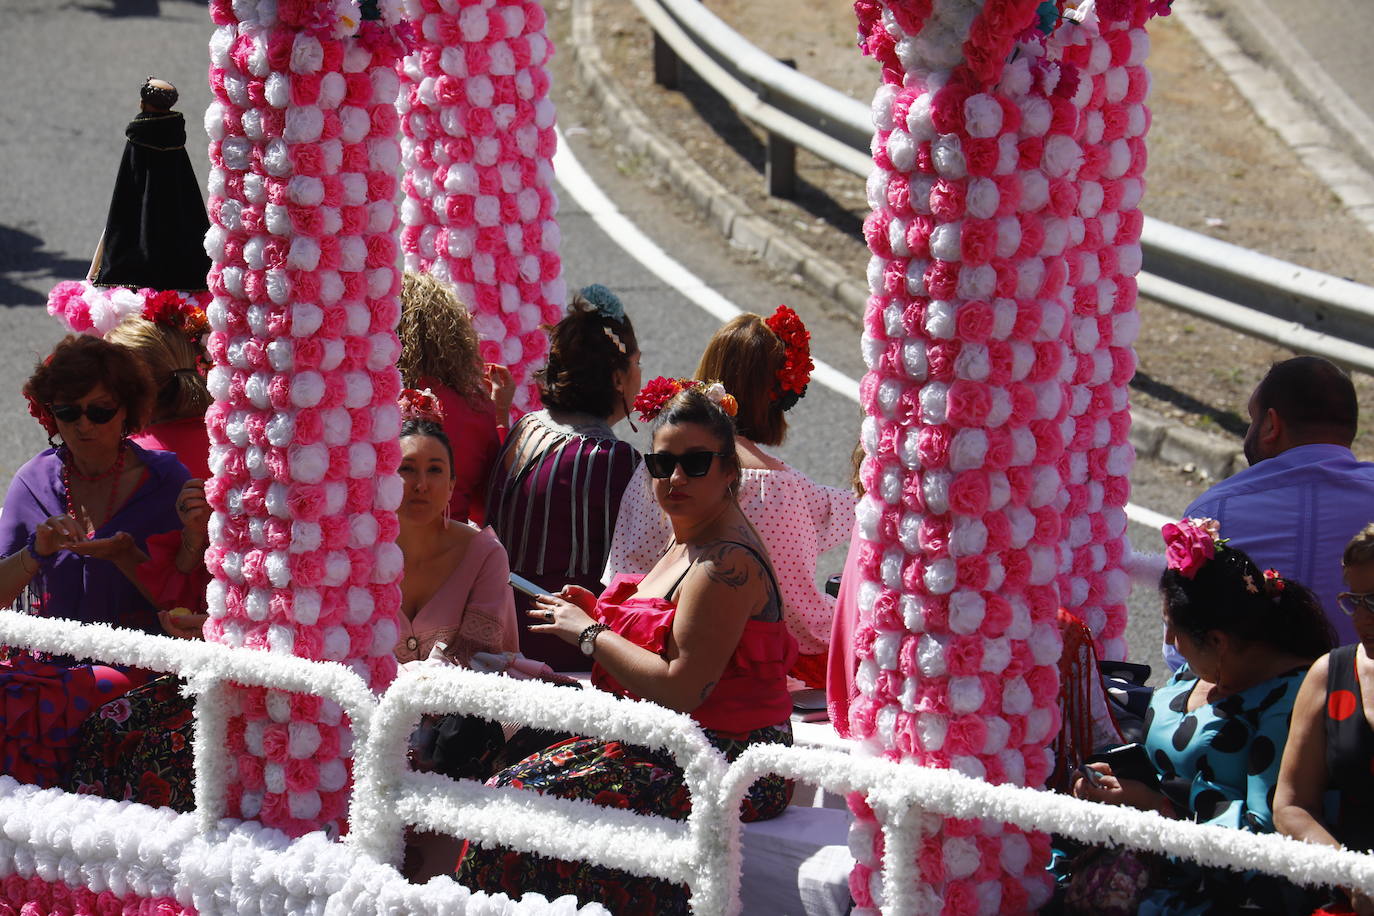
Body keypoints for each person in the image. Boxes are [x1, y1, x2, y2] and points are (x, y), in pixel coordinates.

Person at [457, 386, 797, 912]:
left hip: (726, 761)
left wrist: (590, 636)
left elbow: (682, 686)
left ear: (730, 472)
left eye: (695, 463)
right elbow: (667, 635)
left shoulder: (723, 563)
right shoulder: (689, 536)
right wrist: (599, 615)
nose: (675, 478)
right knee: (498, 763)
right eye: (662, 463)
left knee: (517, 800)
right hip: (676, 741)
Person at [1071, 517, 1334, 915]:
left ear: (1217, 641)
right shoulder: (1205, 667)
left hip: (1211, 890)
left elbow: (1267, 836)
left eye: (1173, 630)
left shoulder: (1291, 702)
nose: (1168, 642)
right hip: (1147, 857)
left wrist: (1156, 806)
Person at [606, 306, 853, 687]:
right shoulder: (790, 488)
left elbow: (624, 573)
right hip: (770, 666)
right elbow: (859, 509)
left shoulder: (655, 469)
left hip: (653, 649)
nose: (679, 478)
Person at [0, 335, 189, 787]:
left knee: (97, 693)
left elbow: (189, 603)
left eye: (99, 410)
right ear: (51, 413)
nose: (83, 424)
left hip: (137, 662)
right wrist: (35, 554)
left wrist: (128, 558)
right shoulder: (34, 479)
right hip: (45, 662)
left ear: (127, 411)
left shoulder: (168, 481)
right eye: (68, 411)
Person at [485, 284, 643, 670]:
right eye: (638, 363)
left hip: (498, 626)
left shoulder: (525, 427)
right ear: (618, 378)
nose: (641, 374)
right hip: (569, 649)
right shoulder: (614, 460)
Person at [1176, 356, 1374, 662]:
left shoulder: (1213, 511)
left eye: (1252, 419)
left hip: (1247, 707)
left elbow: (1183, 652)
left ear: (1270, 424)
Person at [1274, 522, 1374, 915]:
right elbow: (1292, 805)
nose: (1363, 618)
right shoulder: (1330, 674)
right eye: (1355, 601)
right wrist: (1354, 876)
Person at [398, 271, 514, 525]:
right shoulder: (476, 406)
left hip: (378, 551)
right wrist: (500, 414)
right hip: (451, 551)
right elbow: (490, 505)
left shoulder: (367, 402)